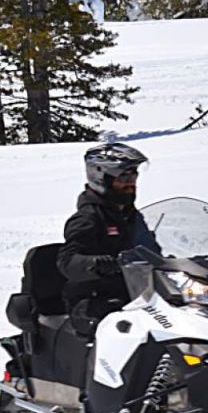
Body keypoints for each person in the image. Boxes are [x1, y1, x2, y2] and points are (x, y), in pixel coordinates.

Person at [58, 141, 151, 329]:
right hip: (92, 300)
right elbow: (67, 262)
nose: (131, 182)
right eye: (123, 176)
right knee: (122, 324)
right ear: (101, 177)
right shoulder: (88, 218)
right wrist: (96, 263)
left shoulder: (130, 216)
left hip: (132, 294)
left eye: (134, 174)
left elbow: (150, 249)